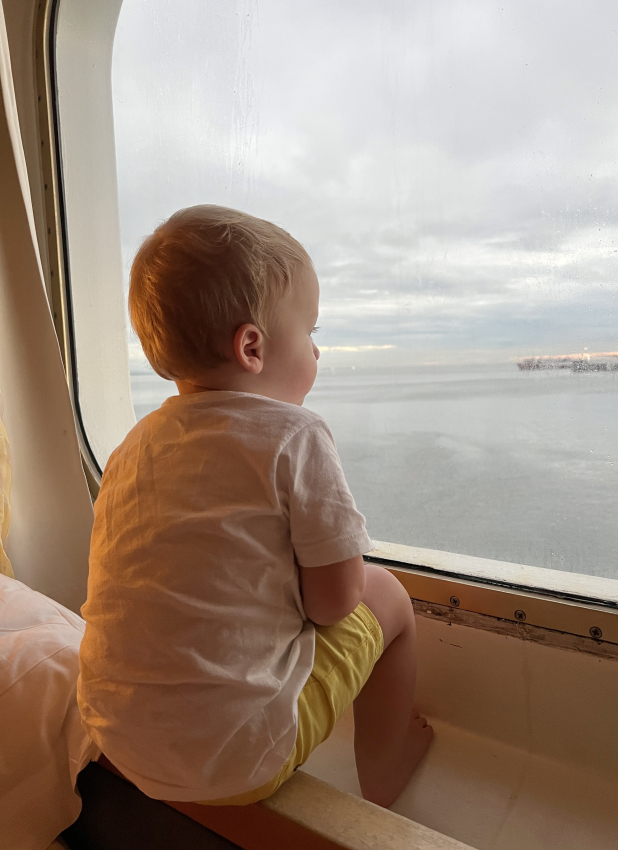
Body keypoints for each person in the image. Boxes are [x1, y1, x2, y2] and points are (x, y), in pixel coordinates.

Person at [77, 205, 432, 810]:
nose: (317, 354)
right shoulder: (296, 436)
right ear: (252, 346)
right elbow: (334, 603)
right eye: (311, 333)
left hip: (117, 733)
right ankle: (388, 765)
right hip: (238, 760)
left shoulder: (131, 447)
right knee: (390, 597)